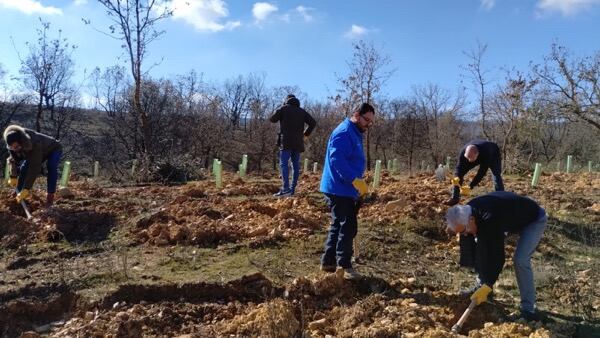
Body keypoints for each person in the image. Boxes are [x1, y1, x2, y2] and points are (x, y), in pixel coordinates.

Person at [445, 191, 547, 321]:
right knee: (478, 243)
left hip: (534, 219)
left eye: (464, 230)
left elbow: (498, 258)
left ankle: (528, 309)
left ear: (471, 219)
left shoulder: (490, 219)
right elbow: (479, 250)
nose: (465, 234)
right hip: (510, 218)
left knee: (520, 260)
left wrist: (489, 283)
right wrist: (483, 283)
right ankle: (481, 286)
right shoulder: (468, 211)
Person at [319, 103, 375, 280]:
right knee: (348, 225)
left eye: (371, 122)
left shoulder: (354, 132)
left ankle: (328, 262)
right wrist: (354, 180)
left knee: (338, 224)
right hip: (339, 187)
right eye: (366, 120)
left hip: (345, 188)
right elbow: (337, 159)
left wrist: (357, 182)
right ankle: (344, 266)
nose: (368, 124)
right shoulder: (344, 132)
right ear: (356, 115)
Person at [3, 124, 63, 207]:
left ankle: (50, 196)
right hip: (37, 151)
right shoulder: (12, 142)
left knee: (51, 166)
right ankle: (18, 191)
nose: (15, 149)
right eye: (12, 148)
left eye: (16, 147)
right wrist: (13, 176)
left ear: (21, 142)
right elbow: (13, 160)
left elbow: (34, 167)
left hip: (53, 148)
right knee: (24, 168)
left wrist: (27, 188)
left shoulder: (33, 142)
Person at [269, 94, 316, 197]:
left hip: (286, 141)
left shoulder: (284, 108)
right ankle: (292, 190)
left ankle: (285, 189)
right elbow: (313, 123)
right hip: (298, 142)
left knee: (284, 164)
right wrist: (305, 134)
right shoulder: (302, 111)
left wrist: (280, 108)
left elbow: (272, 119)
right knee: (295, 165)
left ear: (286, 100)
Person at [445, 140, 504, 206]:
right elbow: (459, 168)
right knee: (459, 175)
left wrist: (471, 186)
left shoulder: (486, 153)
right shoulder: (463, 152)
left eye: (471, 159)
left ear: (477, 154)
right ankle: (455, 198)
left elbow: (481, 172)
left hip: (493, 154)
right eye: (467, 158)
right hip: (475, 155)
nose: (469, 161)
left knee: (496, 174)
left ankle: (501, 196)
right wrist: (457, 177)